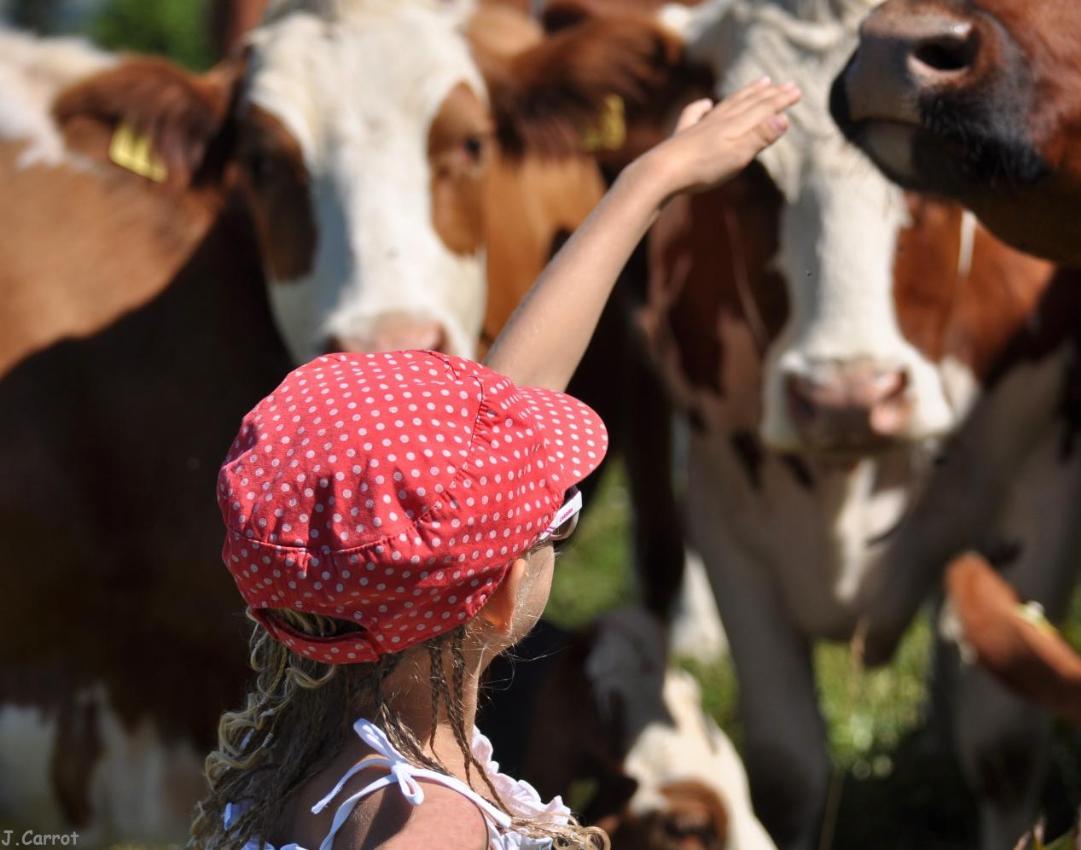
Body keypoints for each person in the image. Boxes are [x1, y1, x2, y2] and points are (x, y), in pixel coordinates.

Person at [189, 77, 800, 850]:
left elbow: (503, 401)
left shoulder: (316, 757)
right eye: (557, 513)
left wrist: (654, 178)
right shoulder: (430, 822)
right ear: (499, 594)